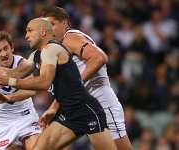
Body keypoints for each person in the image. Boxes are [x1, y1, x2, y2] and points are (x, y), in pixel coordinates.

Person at [0, 18, 117, 150]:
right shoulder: (37, 54)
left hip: (85, 110)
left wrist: (10, 82)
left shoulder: (51, 48)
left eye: (30, 31)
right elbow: (16, 72)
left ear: (43, 32)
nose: (26, 36)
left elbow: (44, 82)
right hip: (67, 112)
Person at [40, 6, 132, 150]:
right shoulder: (57, 48)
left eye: (52, 24)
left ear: (64, 23)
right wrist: (53, 107)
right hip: (81, 107)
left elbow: (99, 57)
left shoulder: (70, 37)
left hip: (101, 100)